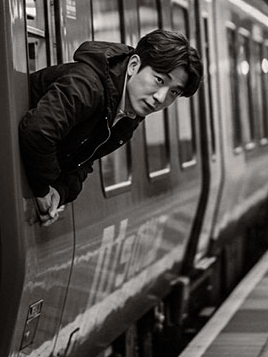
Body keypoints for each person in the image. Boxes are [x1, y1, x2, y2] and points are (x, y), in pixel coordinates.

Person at [19, 29, 203, 225]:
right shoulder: (88, 86)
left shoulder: (127, 114)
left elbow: (84, 160)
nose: (160, 98)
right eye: (159, 80)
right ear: (133, 65)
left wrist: (60, 191)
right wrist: (43, 188)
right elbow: (38, 131)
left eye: (173, 92)